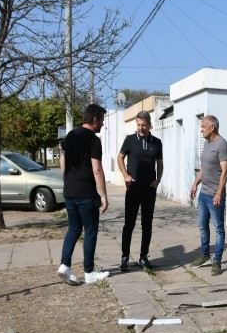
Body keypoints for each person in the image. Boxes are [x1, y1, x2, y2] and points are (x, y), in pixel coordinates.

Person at [57, 103, 111, 286]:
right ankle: (89, 272)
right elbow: (97, 169)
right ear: (95, 120)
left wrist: (68, 183)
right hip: (86, 194)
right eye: (102, 120)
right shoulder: (94, 140)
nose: (103, 124)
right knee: (90, 231)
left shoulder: (70, 135)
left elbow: (63, 163)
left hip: (70, 192)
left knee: (73, 229)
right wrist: (103, 196)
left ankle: (65, 265)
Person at [117, 111, 164, 271]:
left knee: (147, 225)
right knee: (129, 224)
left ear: (150, 125)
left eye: (143, 125)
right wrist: (125, 175)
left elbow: (160, 163)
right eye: (138, 125)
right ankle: (124, 257)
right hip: (133, 189)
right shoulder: (130, 140)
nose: (141, 128)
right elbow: (120, 157)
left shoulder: (156, 142)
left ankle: (143, 257)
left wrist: (158, 180)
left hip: (149, 190)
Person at [189, 115, 227, 276]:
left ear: (212, 127)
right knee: (202, 226)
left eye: (203, 126)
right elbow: (204, 168)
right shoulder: (207, 143)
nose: (201, 129)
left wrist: (219, 192)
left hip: (215, 195)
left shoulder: (222, 145)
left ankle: (217, 261)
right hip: (203, 193)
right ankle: (205, 254)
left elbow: (225, 171)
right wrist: (195, 183)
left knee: (218, 229)